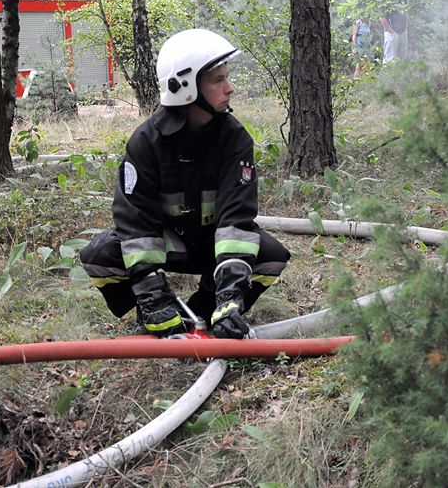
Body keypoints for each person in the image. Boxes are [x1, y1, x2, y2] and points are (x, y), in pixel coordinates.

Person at [79, 28, 291, 339]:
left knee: (270, 255)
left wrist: (229, 298)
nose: (229, 88)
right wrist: (152, 296)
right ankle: (151, 310)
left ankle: (206, 310)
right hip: (168, 244)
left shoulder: (234, 139)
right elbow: (136, 225)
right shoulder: (145, 143)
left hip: (212, 244)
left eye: (226, 78)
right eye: (218, 80)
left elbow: (237, 220)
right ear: (186, 88)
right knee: (100, 255)